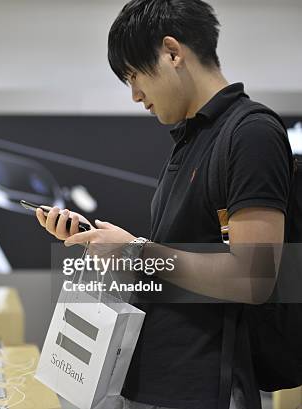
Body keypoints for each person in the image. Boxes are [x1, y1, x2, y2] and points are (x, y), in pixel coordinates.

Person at [35, 0, 292, 408]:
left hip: (209, 388)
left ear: (173, 53)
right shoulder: (190, 140)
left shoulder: (251, 133)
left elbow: (253, 276)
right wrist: (115, 247)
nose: (136, 95)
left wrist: (136, 252)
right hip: (159, 378)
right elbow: (180, 261)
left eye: (134, 76)